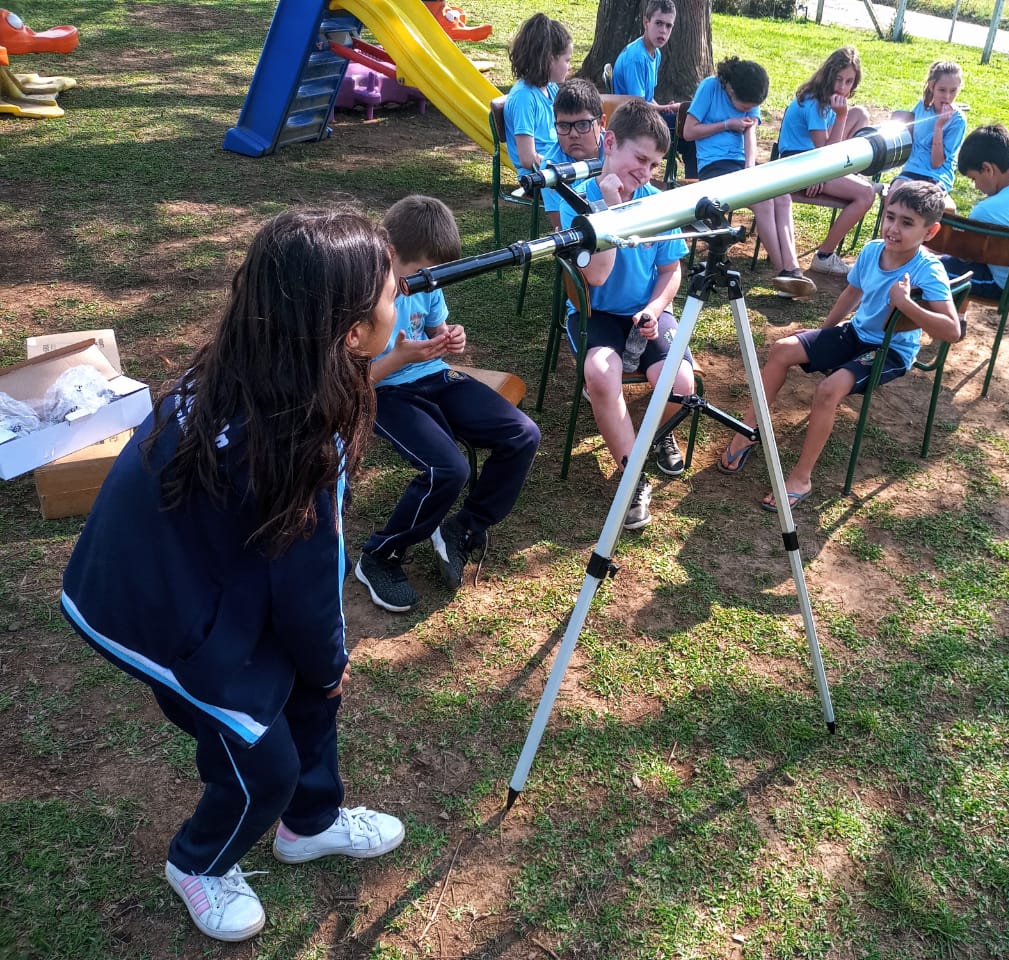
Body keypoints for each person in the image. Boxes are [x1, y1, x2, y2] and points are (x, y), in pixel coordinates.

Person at [60, 209, 406, 943]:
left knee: (307, 693)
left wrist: (315, 675)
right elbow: (312, 587)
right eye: (392, 293)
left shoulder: (260, 363)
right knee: (262, 760)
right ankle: (199, 863)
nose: (399, 301)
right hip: (156, 609)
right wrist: (330, 662)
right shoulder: (301, 434)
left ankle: (309, 824)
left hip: (199, 573)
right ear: (350, 332)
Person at [717, 181, 960, 508]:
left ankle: (801, 479)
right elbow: (851, 293)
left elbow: (952, 330)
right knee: (782, 349)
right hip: (855, 334)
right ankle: (746, 430)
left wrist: (907, 305)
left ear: (929, 232)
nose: (893, 228)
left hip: (891, 351)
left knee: (829, 390)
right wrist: (822, 334)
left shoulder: (928, 270)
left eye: (907, 222)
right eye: (890, 216)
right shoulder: (873, 250)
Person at [356, 196, 541, 610]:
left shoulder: (429, 280)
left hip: (434, 375)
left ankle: (464, 528)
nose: (429, 280)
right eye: (421, 272)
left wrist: (451, 337)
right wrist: (398, 359)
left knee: (523, 434)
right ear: (390, 253)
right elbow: (351, 380)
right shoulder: (361, 290)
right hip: (383, 390)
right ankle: (380, 556)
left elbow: (437, 330)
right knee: (448, 469)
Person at [573, 99, 698, 530]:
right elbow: (597, 277)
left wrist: (655, 308)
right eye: (640, 158)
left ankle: (652, 438)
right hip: (600, 312)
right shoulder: (582, 202)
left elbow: (670, 270)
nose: (645, 172)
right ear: (610, 142)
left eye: (654, 164)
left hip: (645, 311)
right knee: (602, 375)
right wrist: (608, 207)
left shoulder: (656, 203)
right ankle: (631, 477)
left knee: (682, 383)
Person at [685, 57, 816, 299]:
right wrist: (726, 124)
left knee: (783, 196)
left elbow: (750, 134)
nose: (746, 110)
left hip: (741, 164)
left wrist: (749, 168)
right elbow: (688, 131)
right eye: (742, 106)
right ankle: (783, 274)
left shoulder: (750, 94)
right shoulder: (710, 87)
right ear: (730, 89)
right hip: (714, 166)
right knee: (763, 201)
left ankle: (794, 270)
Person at [776, 46, 879, 278]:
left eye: (849, 81)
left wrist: (824, 171)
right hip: (797, 164)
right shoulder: (814, 102)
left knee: (860, 114)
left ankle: (848, 173)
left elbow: (827, 153)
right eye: (838, 79)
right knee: (866, 194)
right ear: (828, 75)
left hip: (817, 161)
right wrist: (821, 173)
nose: (843, 87)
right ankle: (824, 256)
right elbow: (826, 154)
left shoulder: (832, 100)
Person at [938, 123, 1009, 312]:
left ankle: (938, 324)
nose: (975, 187)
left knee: (926, 267)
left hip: (1001, 286)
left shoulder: (986, 210)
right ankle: (959, 319)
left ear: (987, 169)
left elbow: (965, 255)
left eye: (974, 179)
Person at [610, 0, 696, 175]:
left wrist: (663, 109)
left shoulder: (655, 53)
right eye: (658, 23)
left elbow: (648, 98)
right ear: (645, 22)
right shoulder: (637, 58)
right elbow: (638, 104)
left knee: (689, 124)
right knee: (691, 134)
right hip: (633, 121)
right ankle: (694, 186)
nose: (663, 31)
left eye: (668, 26)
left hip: (644, 115)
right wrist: (665, 108)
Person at [505, 13, 573, 176]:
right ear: (549, 60)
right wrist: (564, 169)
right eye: (567, 60)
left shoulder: (551, 89)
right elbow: (528, 159)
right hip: (539, 177)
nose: (569, 67)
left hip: (557, 167)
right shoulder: (524, 97)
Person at [892, 60, 966, 197]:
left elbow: (937, 163)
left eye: (953, 90)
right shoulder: (921, 107)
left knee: (922, 203)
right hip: (913, 169)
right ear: (932, 86)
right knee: (894, 196)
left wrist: (939, 126)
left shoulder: (958, 120)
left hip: (937, 176)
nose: (947, 97)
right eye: (942, 90)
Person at [541, 77, 605, 230]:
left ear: (602, 123)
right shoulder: (552, 168)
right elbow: (562, 226)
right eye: (563, 126)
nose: (573, 134)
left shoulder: (617, 151)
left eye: (583, 124)